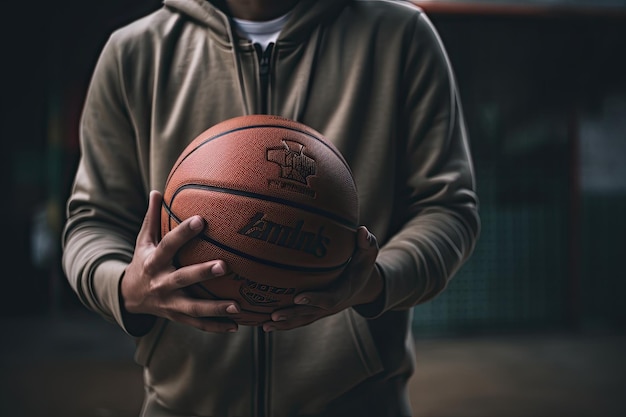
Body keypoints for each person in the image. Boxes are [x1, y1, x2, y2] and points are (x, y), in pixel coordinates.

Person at [61, 0, 480, 416]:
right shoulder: (133, 52)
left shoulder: (401, 35)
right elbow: (92, 222)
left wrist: (375, 282)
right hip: (185, 404)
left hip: (357, 403)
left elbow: (447, 208)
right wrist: (124, 286)